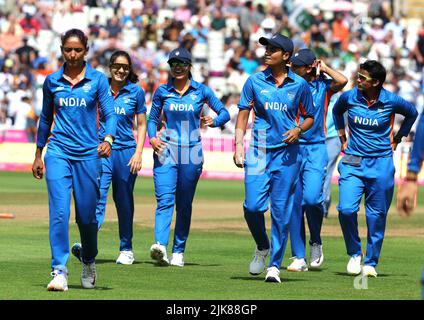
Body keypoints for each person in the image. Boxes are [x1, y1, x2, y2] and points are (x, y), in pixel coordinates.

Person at [32, 29, 117, 291]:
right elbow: (46, 118)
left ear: (86, 51)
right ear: (61, 49)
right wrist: (38, 153)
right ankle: (59, 270)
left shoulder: (98, 80)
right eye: (68, 49)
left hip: (88, 154)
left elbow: (109, 114)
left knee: (87, 218)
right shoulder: (52, 81)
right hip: (58, 152)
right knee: (59, 213)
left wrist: (108, 140)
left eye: (77, 50)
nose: (72, 54)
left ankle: (89, 259)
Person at [233, 34, 315, 283]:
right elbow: (243, 114)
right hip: (257, 150)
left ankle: (274, 266)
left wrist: (298, 129)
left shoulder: (299, 84)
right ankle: (261, 245)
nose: (267, 52)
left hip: (287, 154)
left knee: (281, 211)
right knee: (253, 207)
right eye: (266, 48)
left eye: (273, 49)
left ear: (287, 56)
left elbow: (310, 116)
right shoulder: (254, 81)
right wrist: (238, 145)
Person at [332, 60, 418, 278]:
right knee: (346, 209)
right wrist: (342, 136)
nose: (357, 80)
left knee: (376, 216)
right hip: (352, 160)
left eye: (363, 78)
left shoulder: (391, 101)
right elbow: (336, 111)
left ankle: (370, 262)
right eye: (358, 75)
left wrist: (399, 137)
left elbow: (412, 113)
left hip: (381, 162)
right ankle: (354, 253)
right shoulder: (349, 97)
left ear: (376, 82)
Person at [147, 48, 230, 267]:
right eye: (174, 64)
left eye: (182, 63)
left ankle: (178, 251)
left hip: (192, 150)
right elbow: (151, 118)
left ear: (189, 66)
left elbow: (225, 113)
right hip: (166, 149)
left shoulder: (201, 91)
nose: (178, 67)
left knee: (184, 204)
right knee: (164, 200)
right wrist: (152, 139)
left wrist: (214, 121)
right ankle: (160, 247)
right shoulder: (162, 91)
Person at [71, 51, 147, 265]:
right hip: (101, 151)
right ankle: (88, 244)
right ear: (110, 66)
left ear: (129, 69)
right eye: (117, 66)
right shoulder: (98, 87)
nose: (121, 70)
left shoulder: (136, 92)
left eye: (125, 67)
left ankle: (126, 249)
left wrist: (139, 153)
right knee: (97, 198)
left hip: (126, 153)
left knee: (123, 202)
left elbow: (141, 125)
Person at [287, 49, 348, 272]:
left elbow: (343, 80)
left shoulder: (322, 86)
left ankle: (316, 241)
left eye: (297, 66)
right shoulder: (288, 84)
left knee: (312, 200)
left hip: (315, 148)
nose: (292, 69)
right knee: (294, 203)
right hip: (291, 148)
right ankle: (298, 256)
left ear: (310, 67)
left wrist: (325, 67)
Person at [322, 92, 342, 218]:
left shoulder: (338, 98)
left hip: (333, 137)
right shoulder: (316, 94)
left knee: (326, 172)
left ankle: (323, 205)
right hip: (316, 138)